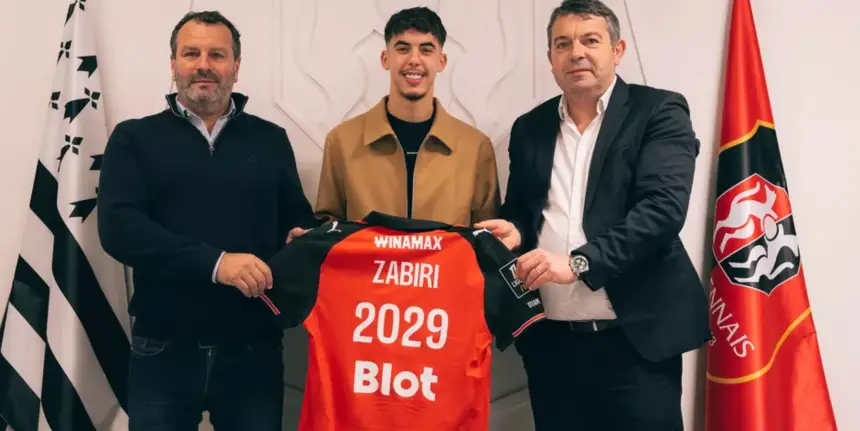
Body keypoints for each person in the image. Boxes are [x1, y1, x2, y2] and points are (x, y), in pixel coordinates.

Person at [475, 1, 710, 430]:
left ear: (617, 50)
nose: (576, 53)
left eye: (590, 40)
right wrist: (513, 230)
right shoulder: (530, 127)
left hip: (635, 343)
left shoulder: (658, 112)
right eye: (562, 44)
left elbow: (662, 211)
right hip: (551, 345)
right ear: (550, 59)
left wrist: (579, 263)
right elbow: (524, 213)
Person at [98, 11, 317, 430]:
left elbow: (294, 218)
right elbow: (119, 229)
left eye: (217, 54)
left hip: (253, 348)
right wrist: (218, 264)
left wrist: (301, 239)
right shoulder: (133, 138)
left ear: (236, 66)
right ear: (173, 65)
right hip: (163, 346)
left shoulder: (271, 139)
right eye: (191, 53)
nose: (203, 64)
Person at [293, 6, 500, 240]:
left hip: (449, 277)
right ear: (385, 59)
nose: (414, 60)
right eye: (403, 48)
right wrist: (308, 240)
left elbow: (486, 239)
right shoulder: (342, 141)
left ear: (441, 61)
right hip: (364, 276)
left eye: (426, 49)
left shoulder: (476, 147)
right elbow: (329, 232)